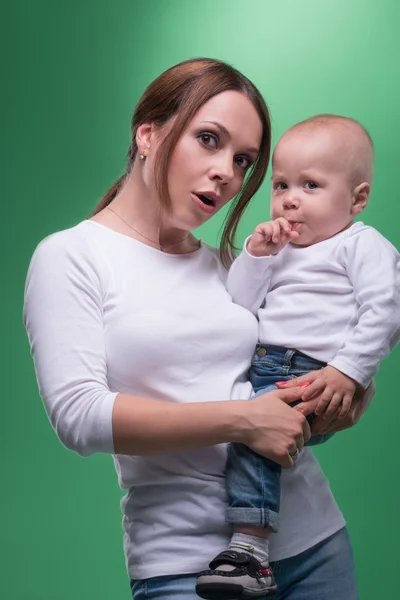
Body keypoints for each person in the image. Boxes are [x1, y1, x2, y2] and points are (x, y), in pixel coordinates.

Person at [23, 59, 375, 600]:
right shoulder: (73, 256)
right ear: (148, 133)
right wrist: (244, 421)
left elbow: (296, 355)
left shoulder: (234, 268)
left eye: (243, 160)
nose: (226, 173)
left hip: (313, 545)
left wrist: (347, 390)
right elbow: (80, 416)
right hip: (187, 566)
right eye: (208, 140)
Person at [196, 115, 400, 599]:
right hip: (264, 366)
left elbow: (387, 309)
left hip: (312, 375)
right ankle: (251, 542)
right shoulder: (281, 247)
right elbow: (238, 304)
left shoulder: (360, 244)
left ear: (357, 199)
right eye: (281, 184)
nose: (290, 198)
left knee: (252, 436)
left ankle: (250, 548)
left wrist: (349, 372)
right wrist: (258, 255)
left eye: (311, 185)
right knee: (239, 428)